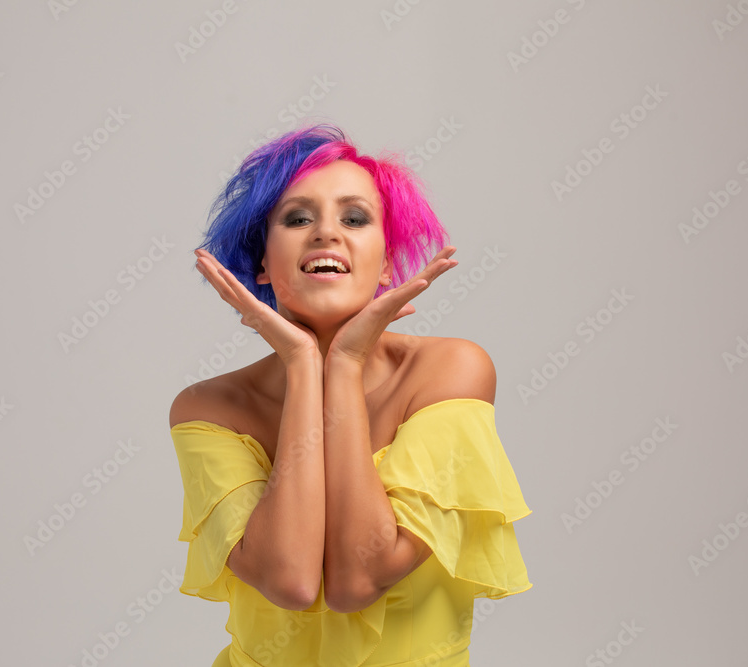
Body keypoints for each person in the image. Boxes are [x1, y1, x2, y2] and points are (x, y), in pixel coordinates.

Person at [170, 123, 532, 667]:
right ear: (262, 262)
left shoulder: (451, 370)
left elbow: (358, 581)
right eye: (297, 218)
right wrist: (302, 365)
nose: (325, 233)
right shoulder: (209, 408)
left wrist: (342, 365)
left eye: (355, 218)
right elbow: (290, 582)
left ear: (386, 263)